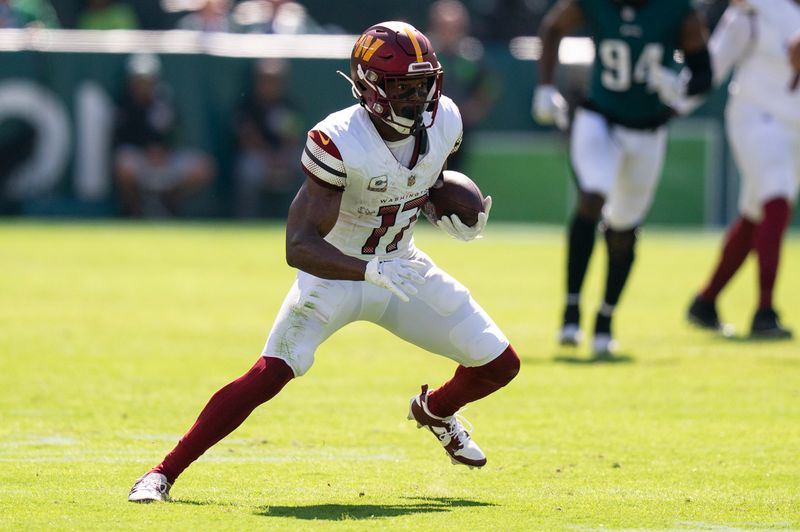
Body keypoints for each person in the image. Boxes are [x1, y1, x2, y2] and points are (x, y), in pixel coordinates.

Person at [128, 21, 520, 503]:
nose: (418, 98)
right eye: (403, 87)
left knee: (500, 364)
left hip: (401, 266)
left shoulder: (446, 121)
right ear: (370, 87)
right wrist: (367, 269)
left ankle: (436, 411)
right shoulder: (338, 140)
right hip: (335, 273)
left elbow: (422, 180)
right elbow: (299, 245)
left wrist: (443, 207)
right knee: (270, 374)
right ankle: (161, 474)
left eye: (424, 84)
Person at [532, 0, 712, 356]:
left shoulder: (676, 11)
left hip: (649, 130)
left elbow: (704, 72)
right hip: (599, 118)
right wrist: (545, 86)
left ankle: (605, 318)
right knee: (592, 198)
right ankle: (571, 310)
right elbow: (552, 27)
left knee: (624, 230)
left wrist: (682, 90)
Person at [686, 0, 800, 339]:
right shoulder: (755, 10)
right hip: (756, 118)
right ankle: (765, 311)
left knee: (754, 217)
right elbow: (713, 64)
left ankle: (705, 302)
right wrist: (673, 104)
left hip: (794, 130)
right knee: (776, 203)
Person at [113, 53, 215, 217]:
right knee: (123, 164)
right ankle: (136, 211)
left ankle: (168, 202)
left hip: (166, 160)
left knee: (203, 167)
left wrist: (165, 151)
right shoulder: (124, 105)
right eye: (139, 80)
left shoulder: (165, 100)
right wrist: (147, 150)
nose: (143, 85)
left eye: (147, 80)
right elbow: (120, 140)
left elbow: (176, 133)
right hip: (140, 160)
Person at [426, 0, 498, 171]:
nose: (449, 33)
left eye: (454, 28)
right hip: (427, 129)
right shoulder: (424, 54)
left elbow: (489, 85)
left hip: (461, 129)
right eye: (443, 27)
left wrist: (475, 108)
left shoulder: (472, 56)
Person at [233, 58, 305, 218]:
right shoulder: (247, 106)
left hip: (284, 157)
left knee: (307, 164)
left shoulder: (288, 105)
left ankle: (302, 219)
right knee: (248, 169)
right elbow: (247, 139)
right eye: (265, 80)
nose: (270, 85)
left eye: (275, 81)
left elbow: (295, 137)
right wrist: (269, 158)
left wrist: (282, 157)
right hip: (259, 157)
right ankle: (247, 220)